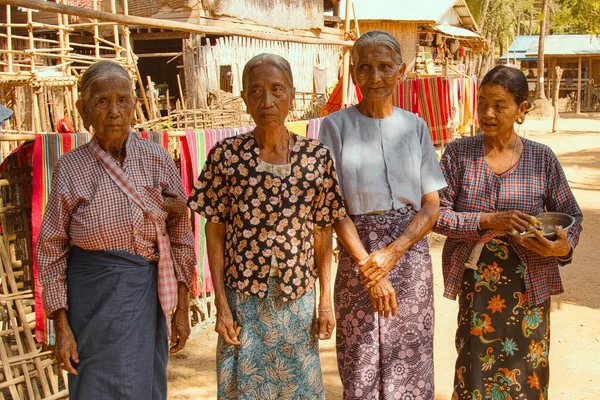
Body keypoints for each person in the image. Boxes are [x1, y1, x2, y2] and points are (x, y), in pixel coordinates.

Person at [188, 53, 351, 399]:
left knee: (298, 388)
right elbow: (214, 232)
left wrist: (325, 301)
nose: (267, 100)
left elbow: (323, 231)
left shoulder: (315, 157)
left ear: (292, 95)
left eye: (277, 89)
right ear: (244, 98)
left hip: (297, 299)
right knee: (245, 388)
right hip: (243, 300)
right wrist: (221, 304)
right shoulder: (226, 156)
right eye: (256, 91)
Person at [37, 60, 196, 399]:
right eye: (101, 102)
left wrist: (182, 310)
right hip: (90, 305)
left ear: (134, 107)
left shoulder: (156, 159)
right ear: (84, 111)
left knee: (142, 385)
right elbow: (51, 250)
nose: (113, 111)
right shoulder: (70, 167)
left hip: (144, 299)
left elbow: (182, 237)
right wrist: (61, 328)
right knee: (94, 386)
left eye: (122, 100)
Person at [433, 65, 583, 399]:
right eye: (482, 102)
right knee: (474, 369)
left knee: (527, 369)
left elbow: (572, 215)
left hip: (530, 282)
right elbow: (436, 215)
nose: (487, 113)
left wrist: (562, 248)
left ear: (522, 110)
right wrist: (486, 220)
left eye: (499, 105)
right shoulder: (458, 154)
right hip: (477, 284)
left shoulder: (541, 158)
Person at [319, 30, 448, 399]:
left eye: (384, 67)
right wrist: (369, 266)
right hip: (358, 255)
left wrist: (394, 252)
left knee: (411, 354)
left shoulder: (415, 126)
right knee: (360, 357)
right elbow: (332, 205)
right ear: (354, 73)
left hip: (409, 256)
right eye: (365, 68)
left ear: (401, 71)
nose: (375, 77)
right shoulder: (334, 126)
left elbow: (431, 205)